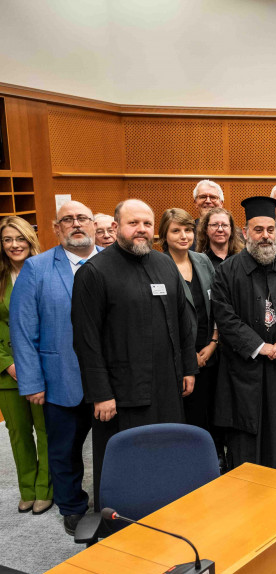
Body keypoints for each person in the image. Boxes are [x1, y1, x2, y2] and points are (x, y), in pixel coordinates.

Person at [71, 199, 198, 493]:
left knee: (168, 455)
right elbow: (86, 341)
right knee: (129, 468)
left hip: (167, 387)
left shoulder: (164, 263)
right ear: (116, 227)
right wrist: (100, 394)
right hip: (121, 393)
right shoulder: (94, 273)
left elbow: (182, 322)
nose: (141, 230)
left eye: (147, 224)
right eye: (133, 223)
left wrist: (188, 368)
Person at [10, 201, 100, 535]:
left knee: (111, 448)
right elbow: (22, 329)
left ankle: (110, 501)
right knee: (64, 451)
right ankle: (73, 507)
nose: (76, 224)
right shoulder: (37, 268)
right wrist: (32, 382)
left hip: (112, 382)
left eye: (82, 218)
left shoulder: (112, 261)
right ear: (56, 227)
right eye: (68, 219)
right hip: (61, 379)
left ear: (94, 224)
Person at [211, 196, 276, 474]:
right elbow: (225, 317)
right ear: (245, 233)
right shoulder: (227, 272)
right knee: (246, 437)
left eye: (270, 230)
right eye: (258, 230)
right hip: (246, 370)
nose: (265, 236)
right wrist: (259, 346)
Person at [159, 208, 225, 469]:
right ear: (164, 234)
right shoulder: (157, 264)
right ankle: (190, 465)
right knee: (189, 413)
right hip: (177, 357)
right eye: (176, 230)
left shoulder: (202, 261)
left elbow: (218, 302)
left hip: (210, 349)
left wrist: (213, 342)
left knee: (214, 409)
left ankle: (216, 458)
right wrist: (188, 358)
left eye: (187, 230)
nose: (183, 235)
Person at [0, 217, 52, 516]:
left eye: (19, 238)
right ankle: (27, 489)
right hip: (7, 371)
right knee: (18, 432)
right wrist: (7, 364)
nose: (15, 245)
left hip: (42, 366)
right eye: (8, 239)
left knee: (46, 430)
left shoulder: (43, 271)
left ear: (30, 239)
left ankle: (46, 488)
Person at [190, 180, 225, 251]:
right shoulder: (187, 231)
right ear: (195, 203)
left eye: (213, 197)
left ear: (221, 203)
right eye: (203, 197)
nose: (208, 201)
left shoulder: (236, 234)